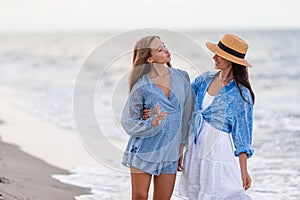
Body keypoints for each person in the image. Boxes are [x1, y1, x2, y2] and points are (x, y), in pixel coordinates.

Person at [178, 34, 255, 199]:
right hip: (195, 145)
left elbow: (243, 134)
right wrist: (180, 148)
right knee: (196, 193)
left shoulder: (241, 93)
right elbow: (184, 110)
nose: (214, 57)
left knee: (220, 193)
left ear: (231, 59)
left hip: (218, 150)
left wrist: (243, 169)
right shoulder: (203, 79)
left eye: (219, 54)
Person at [121, 35, 193, 200]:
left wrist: (181, 146)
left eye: (164, 46)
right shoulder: (141, 84)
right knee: (140, 196)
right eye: (159, 49)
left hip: (170, 150)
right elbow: (129, 120)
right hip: (145, 147)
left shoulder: (182, 77)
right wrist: (151, 122)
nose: (166, 50)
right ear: (149, 58)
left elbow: (187, 114)